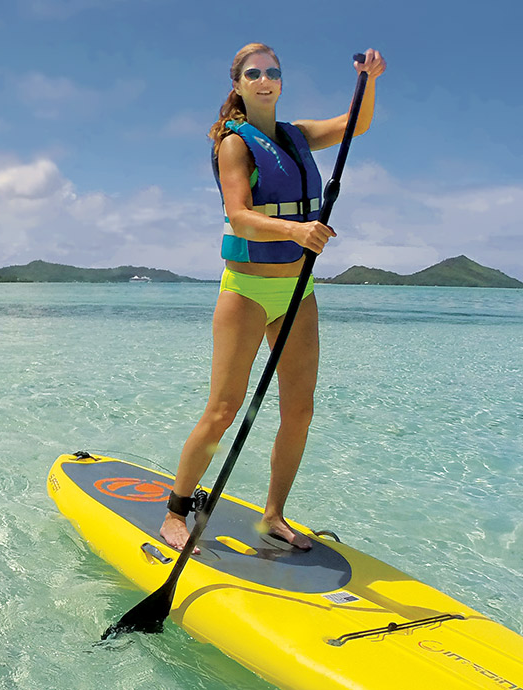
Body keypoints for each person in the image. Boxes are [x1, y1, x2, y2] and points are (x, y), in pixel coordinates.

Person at [161, 44, 386, 553]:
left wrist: (368, 79)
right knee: (223, 409)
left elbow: (357, 124)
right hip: (247, 289)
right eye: (253, 73)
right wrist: (297, 229)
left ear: (281, 82)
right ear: (238, 84)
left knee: (299, 411)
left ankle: (274, 515)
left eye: (272, 72)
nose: (264, 79)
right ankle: (176, 510)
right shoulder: (233, 145)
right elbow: (239, 215)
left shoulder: (299, 136)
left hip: (298, 289)